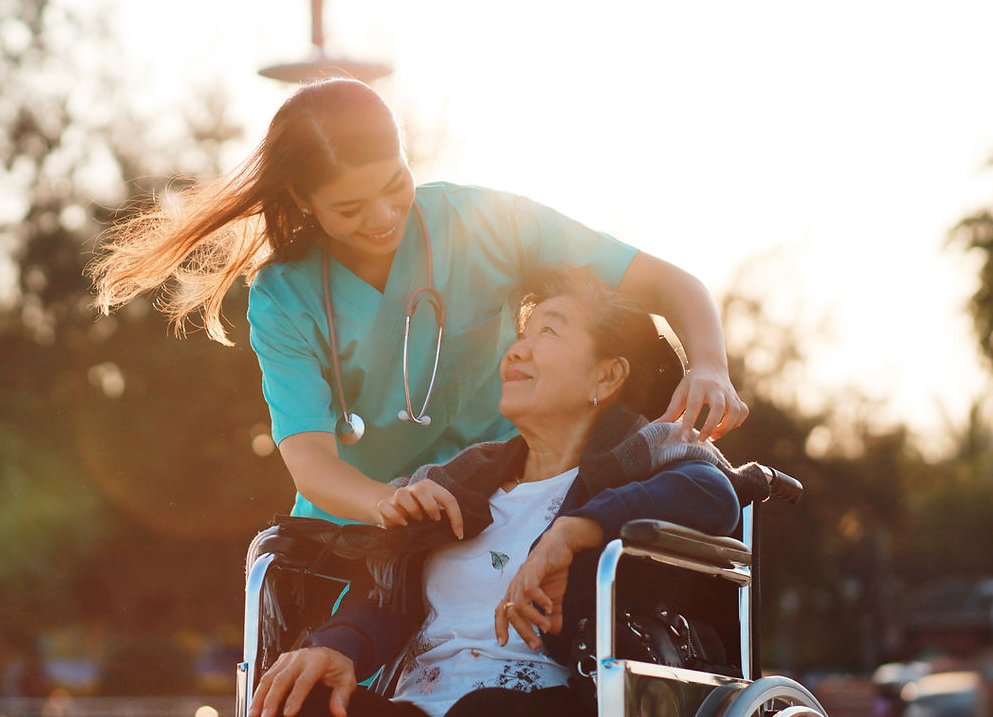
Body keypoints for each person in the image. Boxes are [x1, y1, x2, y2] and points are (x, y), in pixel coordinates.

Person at [90, 78, 748, 524]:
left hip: (509, 496)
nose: (381, 217)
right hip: (365, 520)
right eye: (348, 207)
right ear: (303, 204)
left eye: (394, 184)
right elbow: (312, 460)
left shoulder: (484, 220)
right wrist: (387, 504)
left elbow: (668, 283)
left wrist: (709, 363)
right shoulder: (283, 297)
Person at [247, 267, 761, 717]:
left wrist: (576, 530)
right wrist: (337, 647)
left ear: (606, 376)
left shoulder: (647, 457)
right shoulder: (459, 480)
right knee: (299, 698)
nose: (518, 348)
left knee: (486, 709)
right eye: (523, 333)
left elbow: (713, 492)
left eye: (549, 332)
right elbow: (388, 593)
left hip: (551, 701)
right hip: (415, 706)